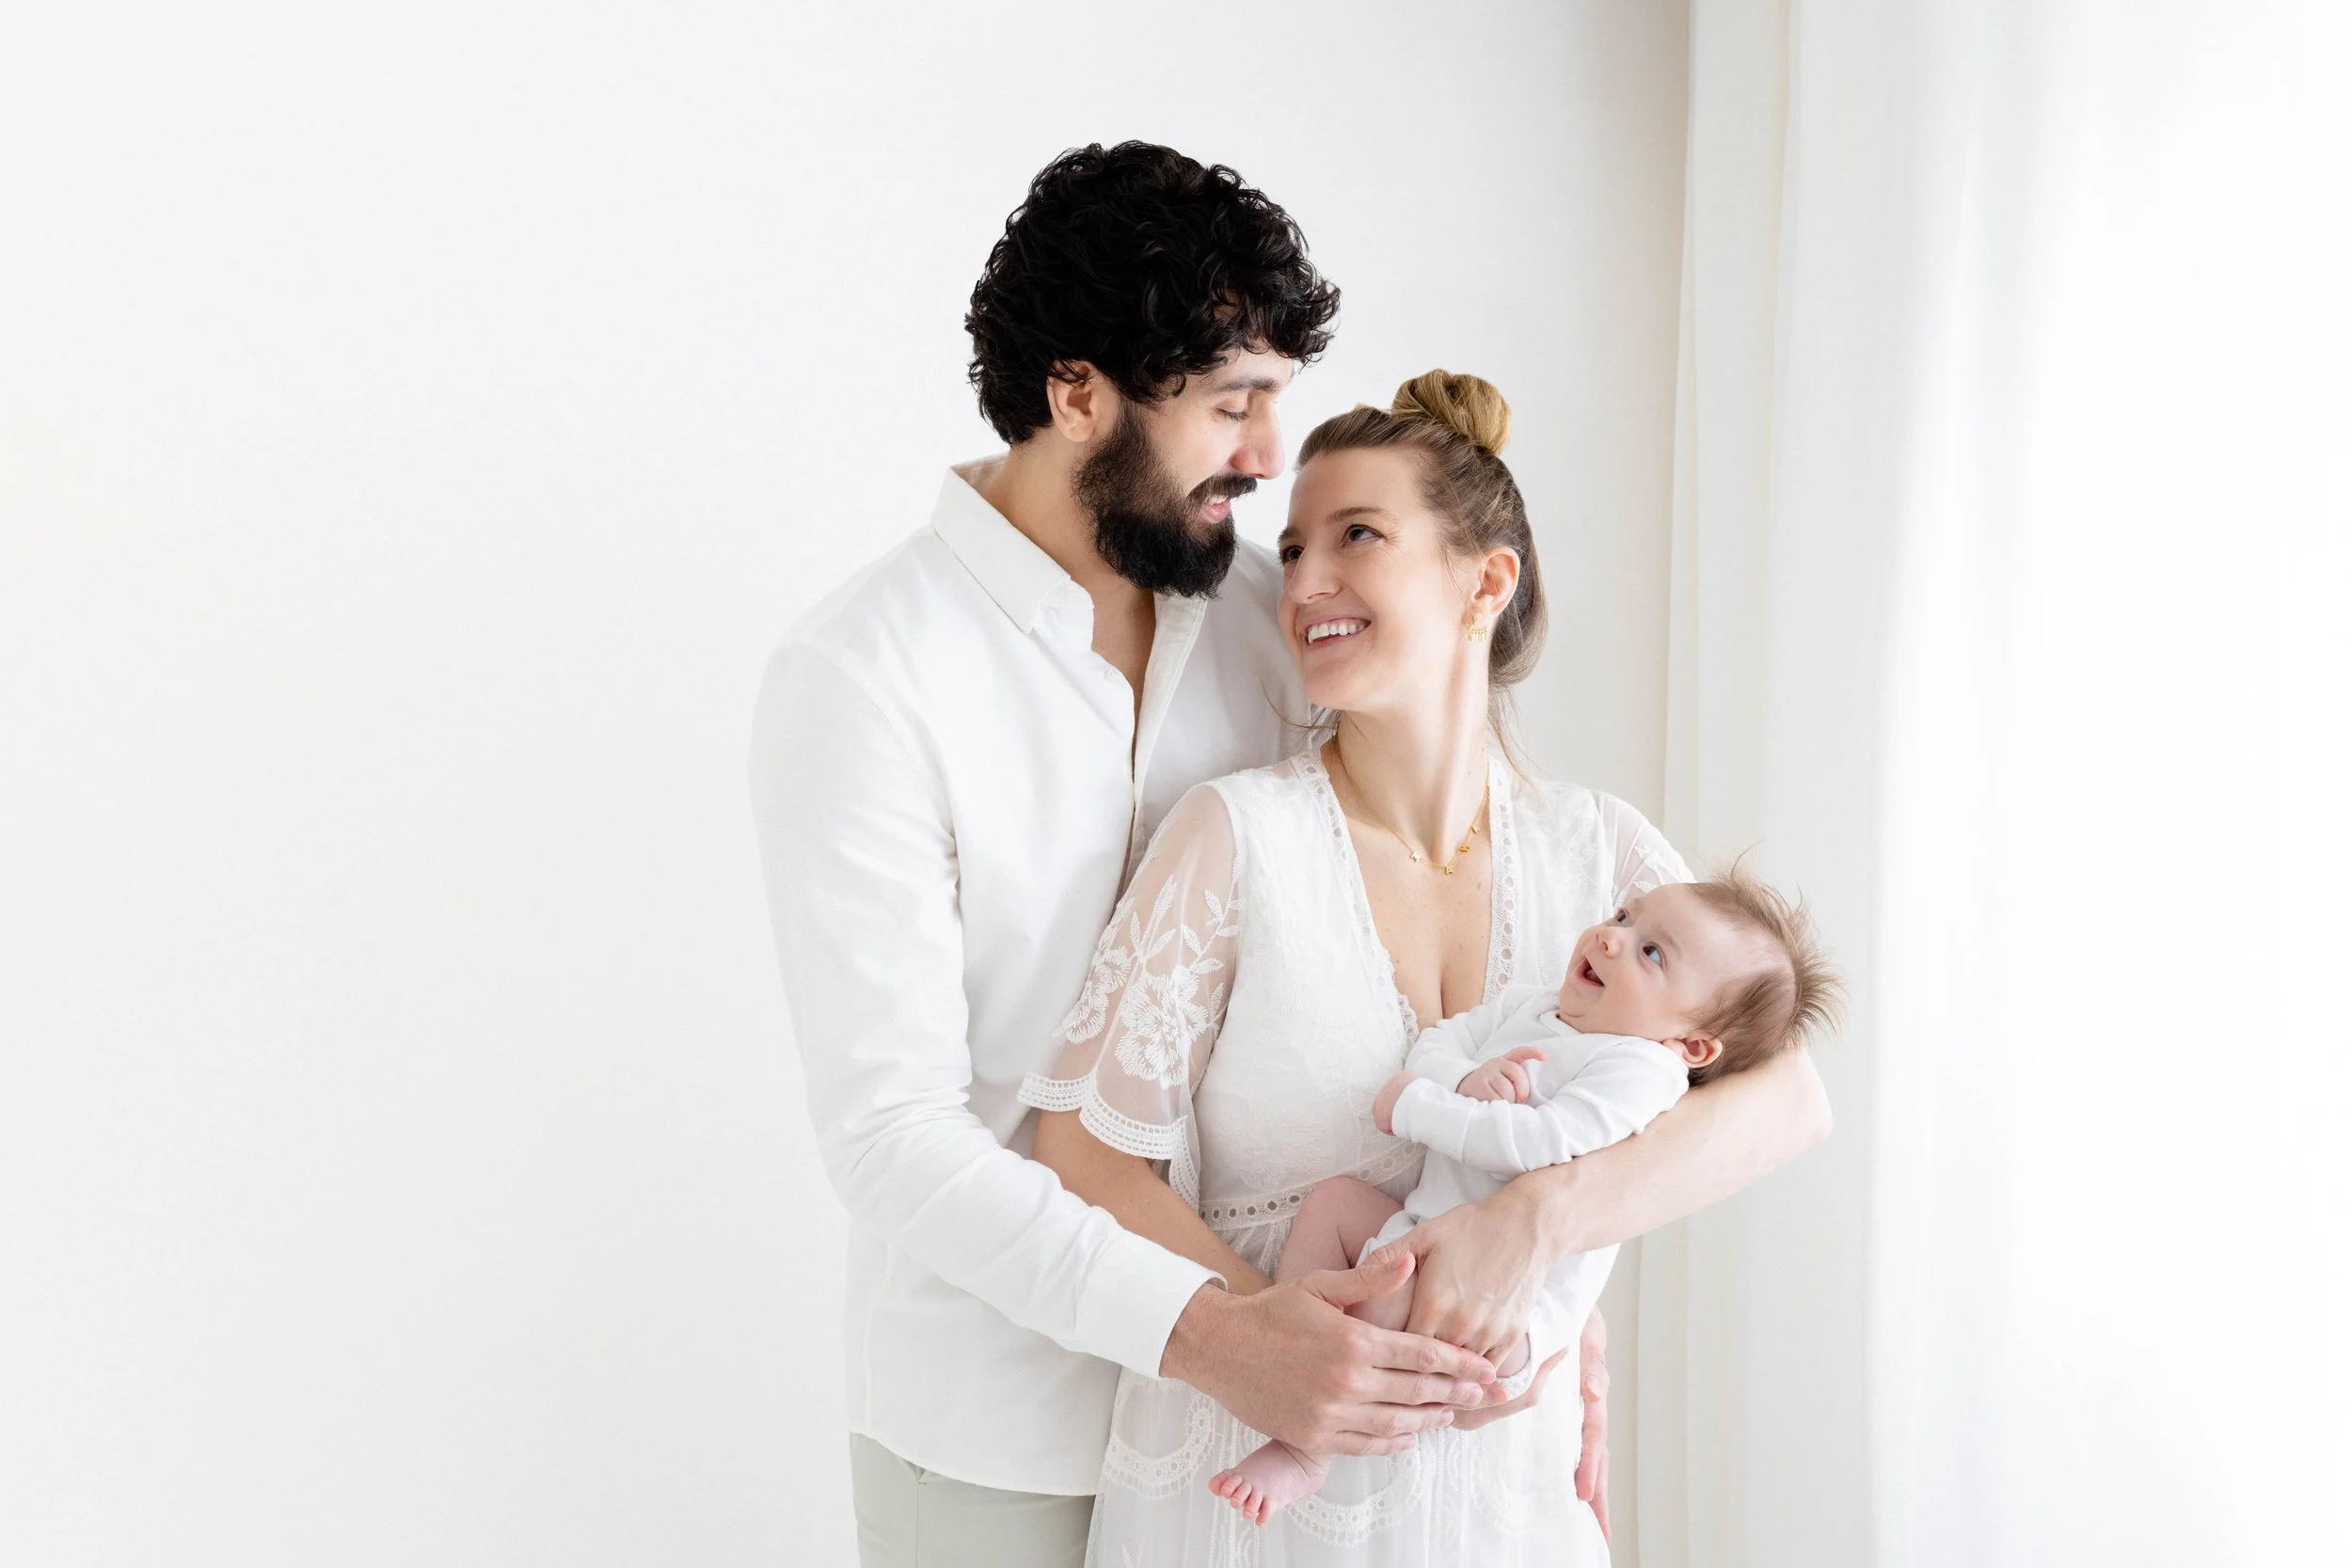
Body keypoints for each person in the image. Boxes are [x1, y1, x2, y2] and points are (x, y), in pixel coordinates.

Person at [751, 143, 1503, 1568]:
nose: (1271, 455)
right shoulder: (862, 677)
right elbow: (891, 1133)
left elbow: (1463, 877)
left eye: (1277, 397)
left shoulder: (1278, 618)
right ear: (1077, 390)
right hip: (1009, 1439)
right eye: (1233, 401)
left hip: (1290, 1432)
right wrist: (1219, 1336)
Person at [1022, 372, 1834, 1564]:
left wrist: (1539, 1218)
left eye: (1357, 535)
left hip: (1498, 1494)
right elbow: (1083, 1149)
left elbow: (1789, 1098)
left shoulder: (1605, 858)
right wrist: (1266, 1340)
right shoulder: (1235, 834)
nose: (1301, 583)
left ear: (1484, 579)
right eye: (1291, 545)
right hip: (1253, 1480)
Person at [1207, 872, 1845, 1524]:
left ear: (1691, 1044)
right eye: (1624, 916)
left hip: (1513, 1314)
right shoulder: (1538, 1006)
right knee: (1334, 1206)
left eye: (1652, 952)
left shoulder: (1641, 1070)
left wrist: (1418, 1107)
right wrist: (1464, 1075)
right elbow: (1439, 1041)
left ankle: (1308, 1448)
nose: (1612, 937)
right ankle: (1294, 1359)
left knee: (1392, 1282)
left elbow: (1539, 1145)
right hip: (1422, 1231)